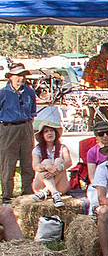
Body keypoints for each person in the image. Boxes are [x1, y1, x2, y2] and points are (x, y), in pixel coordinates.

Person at [0, 63, 36, 202]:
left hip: (26, 127)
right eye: (18, 76)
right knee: (8, 162)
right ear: (10, 77)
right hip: (8, 128)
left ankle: (27, 192)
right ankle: (7, 195)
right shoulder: (3, 93)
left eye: (23, 76)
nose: (21, 79)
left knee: (28, 160)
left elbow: (32, 111)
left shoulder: (29, 92)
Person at [30, 113, 71, 208]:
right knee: (46, 162)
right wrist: (46, 167)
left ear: (55, 133)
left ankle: (47, 192)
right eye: (46, 131)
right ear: (42, 135)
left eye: (52, 130)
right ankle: (55, 194)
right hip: (40, 183)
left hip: (61, 185)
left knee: (58, 161)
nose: (49, 133)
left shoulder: (62, 147)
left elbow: (68, 162)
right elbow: (35, 166)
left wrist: (56, 170)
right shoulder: (37, 149)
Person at [85, 120, 108, 185]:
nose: (105, 136)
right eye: (101, 134)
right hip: (100, 183)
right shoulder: (92, 152)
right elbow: (92, 177)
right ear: (96, 136)